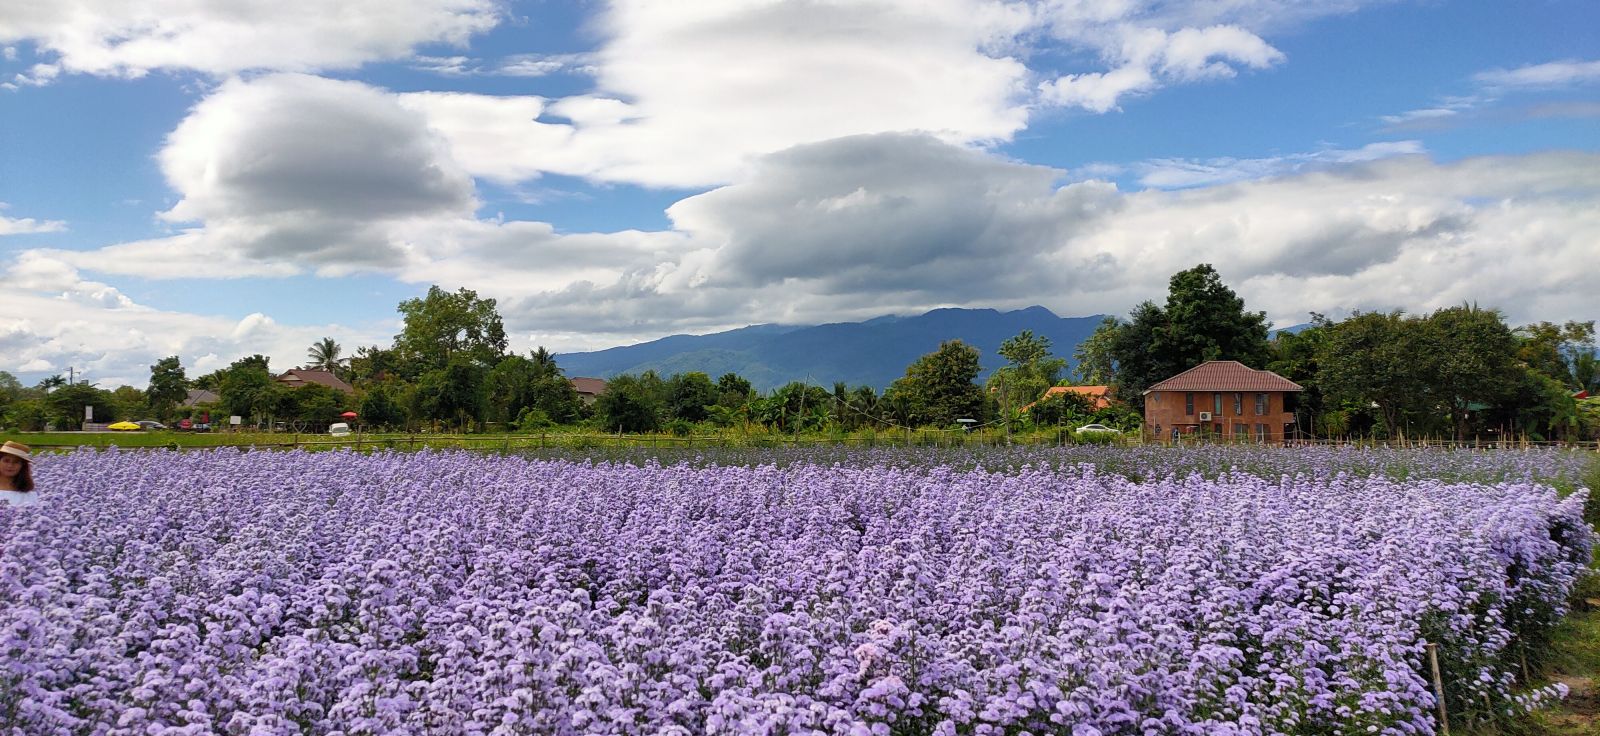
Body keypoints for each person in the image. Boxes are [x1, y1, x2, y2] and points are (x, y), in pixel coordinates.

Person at [0, 440, 38, 507]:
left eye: (16, 462)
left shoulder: (28, 495)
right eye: (6, 461)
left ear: (22, 466)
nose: (10, 465)